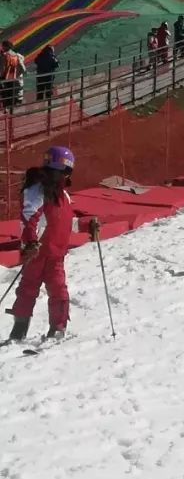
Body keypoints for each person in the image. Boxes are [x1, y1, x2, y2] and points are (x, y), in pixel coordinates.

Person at [6, 146, 99, 344]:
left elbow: (66, 222)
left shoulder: (62, 196)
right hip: (36, 251)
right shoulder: (37, 190)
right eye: (55, 171)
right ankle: (19, 329)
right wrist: (31, 241)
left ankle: (57, 327)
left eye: (62, 172)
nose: (58, 176)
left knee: (58, 290)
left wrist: (86, 225)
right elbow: (29, 216)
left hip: (56, 254)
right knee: (27, 289)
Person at [2, 40, 25, 115]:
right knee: (11, 93)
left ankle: (6, 109)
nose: (2, 47)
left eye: (3, 46)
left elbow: (2, 67)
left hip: (5, 77)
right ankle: (10, 110)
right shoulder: (15, 55)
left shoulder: (5, 55)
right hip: (13, 77)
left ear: (6, 46)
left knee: (5, 93)